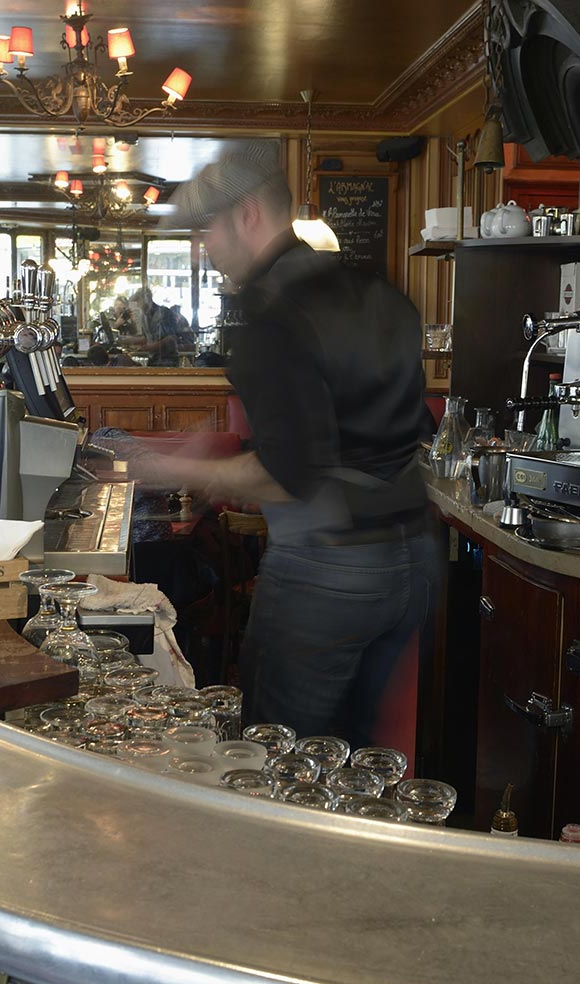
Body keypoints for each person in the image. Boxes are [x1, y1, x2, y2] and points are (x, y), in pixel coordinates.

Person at [144, 143, 437, 748]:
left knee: (277, 757)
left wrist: (165, 467)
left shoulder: (272, 321)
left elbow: (289, 476)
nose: (207, 247)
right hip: (415, 560)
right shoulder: (379, 294)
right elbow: (395, 430)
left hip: (328, 570)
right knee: (358, 758)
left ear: (248, 215)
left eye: (210, 229)